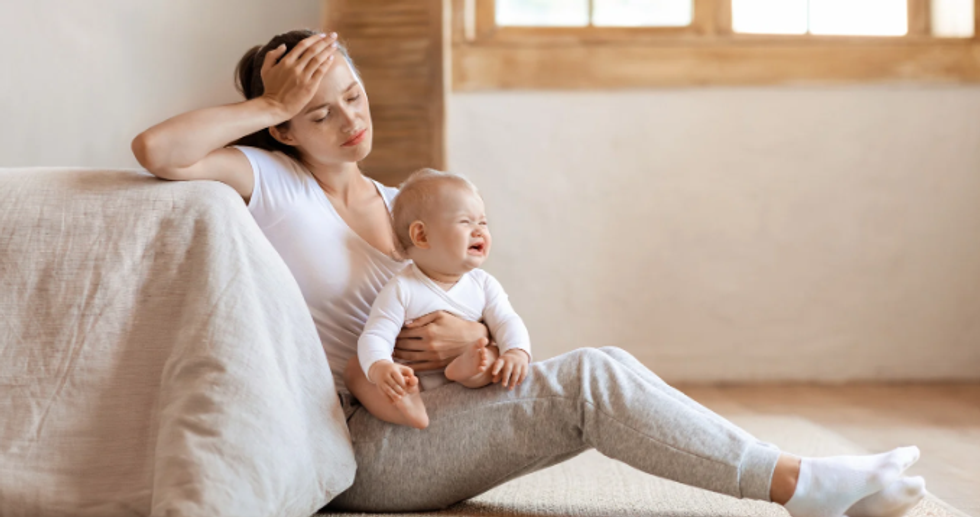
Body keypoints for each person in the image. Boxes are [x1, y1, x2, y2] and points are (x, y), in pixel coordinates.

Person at [131, 29, 928, 517]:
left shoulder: (397, 198)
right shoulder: (269, 181)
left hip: (444, 408)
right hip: (362, 447)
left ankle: (807, 479)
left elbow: (462, 303)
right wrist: (272, 103)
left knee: (601, 368)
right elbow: (155, 152)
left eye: (350, 94)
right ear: (282, 125)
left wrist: (473, 334)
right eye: (317, 112)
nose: (349, 119)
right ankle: (802, 484)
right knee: (588, 381)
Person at [350, 168, 533, 430]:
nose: (479, 230)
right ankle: (406, 406)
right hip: (418, 384)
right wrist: (380, 367)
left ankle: (463, 370)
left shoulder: (483, 285)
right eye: (465, 222)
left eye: (483, 222)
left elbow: (506, 320)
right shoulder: (402, 288)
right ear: (422, 236)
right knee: (358, 369)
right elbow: (376, 335)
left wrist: (516, 351)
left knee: (490, 358)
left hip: (468, 384)